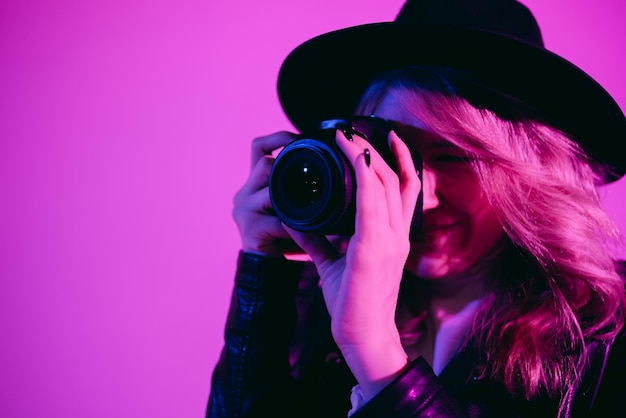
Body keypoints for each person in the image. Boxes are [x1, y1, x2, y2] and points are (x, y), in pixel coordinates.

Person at [208, 0, 626, 417]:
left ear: (531, 170)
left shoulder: (607, 337)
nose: (422, 195)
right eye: (394, 156)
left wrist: (377, 355)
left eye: (456, 157)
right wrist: (264, 275)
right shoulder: (325, 302)